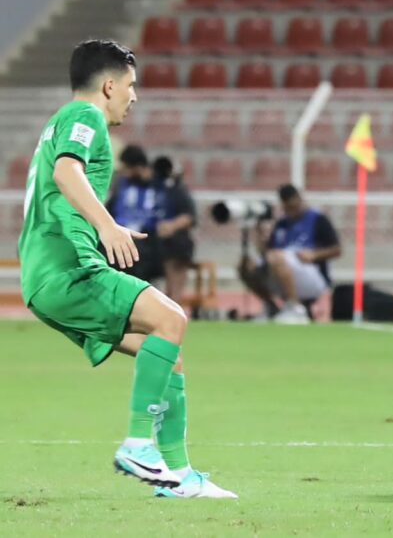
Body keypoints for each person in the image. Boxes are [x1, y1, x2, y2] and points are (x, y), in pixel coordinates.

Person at [17, 39, 235, 498]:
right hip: (68, 268)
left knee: (166, 351)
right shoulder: (86, 115)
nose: (134, 97)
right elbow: (66, 173)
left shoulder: (61, 121)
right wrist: (108, 226)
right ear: (109, 86)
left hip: (43, 279)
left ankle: (177, 476)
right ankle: (138, 444)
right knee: (172, 318)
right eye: (131, 85)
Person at [238, 184, 341, 324]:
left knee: (276, 257)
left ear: (300, 200)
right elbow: (268, 254)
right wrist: (259, 236)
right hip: (282, 271)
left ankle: (296, 308)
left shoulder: (318, 219)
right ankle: (271, 307)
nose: (291, 210)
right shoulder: (282, 224)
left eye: (294, 206)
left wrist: (314, 255)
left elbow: (337, 250)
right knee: (245, 266)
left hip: (311, 273)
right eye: (287, 207)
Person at [107, 144, 163, 283]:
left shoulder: (158, 184)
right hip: (121, 235)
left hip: (147, 240)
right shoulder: (121, 184)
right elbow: (110, 209)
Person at [152, 155, 197, 305]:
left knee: (177, 248)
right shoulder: (153, 189)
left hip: (174, 243)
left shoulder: (178, 191)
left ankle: (174, 301)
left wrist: (171, 226)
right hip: (152, 241)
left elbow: (189, 216)